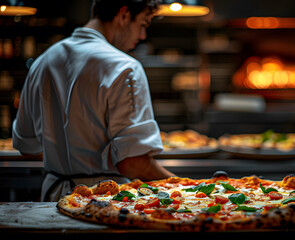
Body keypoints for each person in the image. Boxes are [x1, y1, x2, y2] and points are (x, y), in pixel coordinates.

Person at [12, 0, 175, 202]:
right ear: (123, 15)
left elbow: (25, 146)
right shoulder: (125, 67)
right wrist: (180, 187)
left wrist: (67, 160)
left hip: (52, 198)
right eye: (142, 25)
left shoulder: (42, 62)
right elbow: (133, 163)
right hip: (104, 201)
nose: (142, 36)